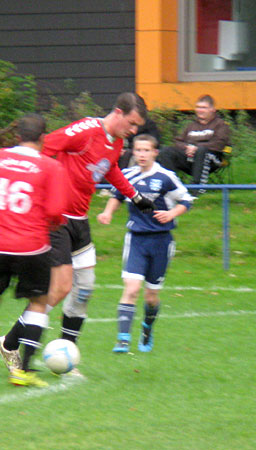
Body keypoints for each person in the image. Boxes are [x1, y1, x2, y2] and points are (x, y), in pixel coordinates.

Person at [0, 93, 155, 376]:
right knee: (60, 289)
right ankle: (9, 344)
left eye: (137, 127)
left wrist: (134, 196)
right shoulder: (85, 131)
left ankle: (65, 354)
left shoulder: (116, 142)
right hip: (57, 220)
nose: (133, 131)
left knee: (85, 289)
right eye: (131, 123)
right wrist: (38, 185)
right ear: (118, 112)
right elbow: (42, 147)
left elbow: (110, 168)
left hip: (80, 221)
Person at [0, 113, 68, 388]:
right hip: (32, 246)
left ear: (17, 136)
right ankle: (23, 370)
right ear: (43, 138)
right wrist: (54, 222)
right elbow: (56, 210)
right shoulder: (50, 166)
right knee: (38, 303)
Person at [97, 134, 193, 352]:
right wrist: (107, 212)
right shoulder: (127, 175)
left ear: (155, 153)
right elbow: (117, 196)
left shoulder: (166, 177)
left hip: (161, 241)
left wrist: (172, 214)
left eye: (146, 150)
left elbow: (186, 200)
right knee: (131, 289)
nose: (142, 155)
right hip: (136, 240)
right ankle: (123, 340)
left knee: (151, 297)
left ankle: (147, 328)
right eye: (138, 150)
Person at [157, 95, 230, 193]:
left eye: (204, 107)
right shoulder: (191, 126)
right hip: (189, 157)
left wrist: (196, 148)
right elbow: (178, 141)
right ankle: (172, 185)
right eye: (198, 107)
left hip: (211, 159)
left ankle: (196, 189)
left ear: (212, 110)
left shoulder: (220, 125)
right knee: (166, 151)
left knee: (201, 151)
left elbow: (219, 144)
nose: (200, 110)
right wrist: (187, 147)